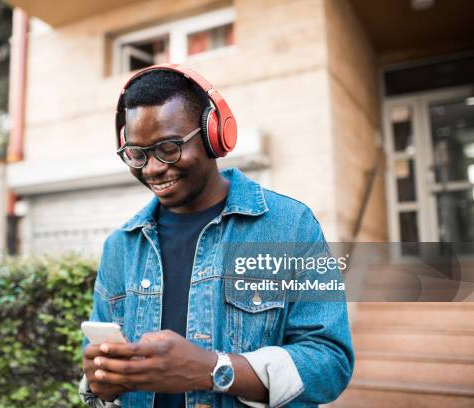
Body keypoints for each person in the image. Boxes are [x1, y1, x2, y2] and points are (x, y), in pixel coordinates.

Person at [79, 64, 354, 408]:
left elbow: (330, 363)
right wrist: (100, 384)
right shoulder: (120, 246)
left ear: (213, 134)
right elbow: (97, 367)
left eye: (168, 147)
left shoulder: (291, 225)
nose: (151, 168)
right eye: (137, 154)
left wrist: (213, 370)